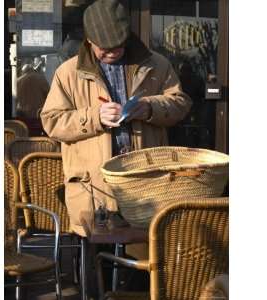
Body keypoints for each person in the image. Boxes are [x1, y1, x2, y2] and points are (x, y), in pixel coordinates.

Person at [40, 0, 192, 236]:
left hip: (146, 183)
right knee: (96, 265)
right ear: (89, 40)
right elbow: (51, 121)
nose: (111, 51)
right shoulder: (68, 73)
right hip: (95, 189)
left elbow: (181, 104)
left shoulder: (157, 64)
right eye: (104, 47)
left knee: (146, 261)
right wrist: (94, 117)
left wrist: (151, 107)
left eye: (117, 46)